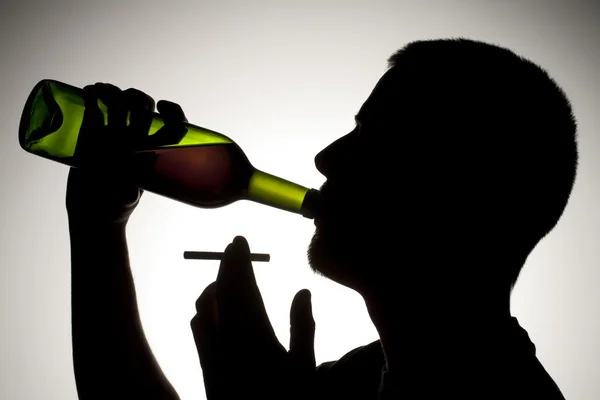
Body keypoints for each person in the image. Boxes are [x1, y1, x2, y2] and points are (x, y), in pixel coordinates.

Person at [67, 38, 577, 399]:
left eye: (380, 138)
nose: (326, 158)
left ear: (466, 189)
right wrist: (98, 225)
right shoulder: (357, 380)